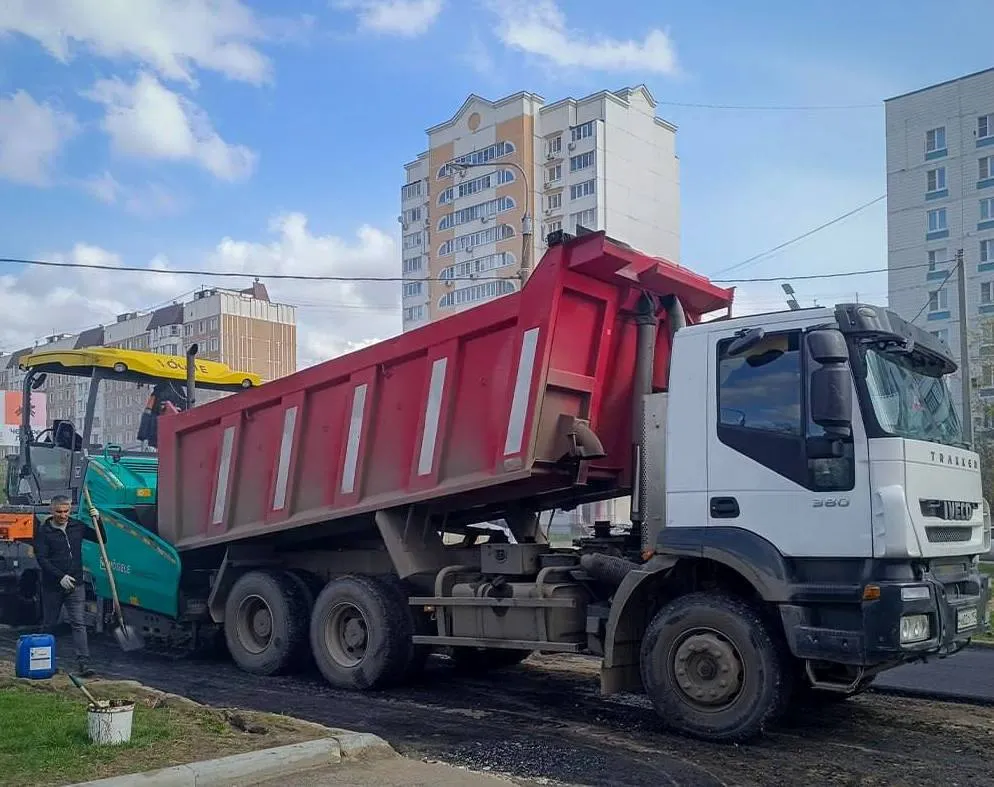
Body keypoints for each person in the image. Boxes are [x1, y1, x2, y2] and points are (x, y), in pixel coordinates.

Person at [34, 495, 100, 676]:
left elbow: (101, 538)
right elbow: (42, 559)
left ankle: (84, 663)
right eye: (59, 511)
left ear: (70, 510)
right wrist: (60, 577)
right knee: (50, 624)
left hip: (75, 584)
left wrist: (98, 520)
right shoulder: (44, 532)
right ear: (52, 510)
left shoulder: (77, 526)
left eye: (66, 511)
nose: (63, 515)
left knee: (79, 623)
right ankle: (43, 662)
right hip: (52, 586)